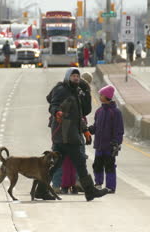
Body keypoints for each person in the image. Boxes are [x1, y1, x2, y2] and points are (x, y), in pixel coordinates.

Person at [35, 67, 108, 201]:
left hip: (69, 135)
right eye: (73, 76)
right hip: (63, 135)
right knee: (79, 163)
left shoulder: (76, 92)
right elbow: (53, 105)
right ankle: (90, 191)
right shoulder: (61, 90)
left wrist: (87, 92)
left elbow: (83, 113)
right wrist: (57, 112)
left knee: (56, 165)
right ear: (68, 77)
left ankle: (40, 191)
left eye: (77, 76)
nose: (76, 78)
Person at [89, 85, 124, 193]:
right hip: (99, 145)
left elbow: (119, 130)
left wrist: (117, 143)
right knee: (97, 165)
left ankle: (110, 186)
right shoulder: (99, 111)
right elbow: (96, 126)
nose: (100, 96)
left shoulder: (116, 112)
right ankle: (98, 183)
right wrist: (89, 129)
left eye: (101, 95)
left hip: (109, 146)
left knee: (109, 166)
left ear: (107, 96)